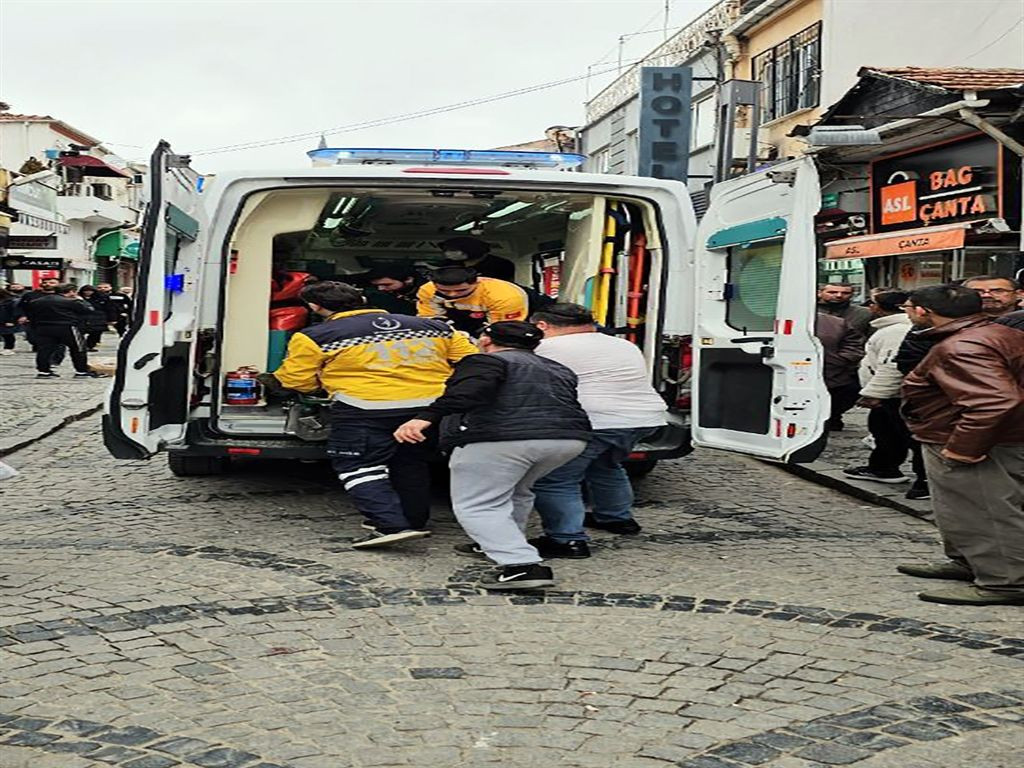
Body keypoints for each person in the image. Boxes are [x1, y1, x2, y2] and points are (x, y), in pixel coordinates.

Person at [263, 281, 477, 548]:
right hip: (427, 409)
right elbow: (471, 361)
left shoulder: (315, 336)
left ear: (315, 307)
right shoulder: (435, 327)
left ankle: (391, 525)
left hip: (363, 407)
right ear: (362, 299)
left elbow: (296, 379)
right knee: (410, 463)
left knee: (357, 465)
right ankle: (414, 520)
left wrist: (317, 386)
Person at [394, 321, 591, 590]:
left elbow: (466, 394)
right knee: (517, 492)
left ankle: (521, 566)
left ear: (486, 340)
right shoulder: (557, 367)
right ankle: (499, 542)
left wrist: (423, 419)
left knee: (477, 504)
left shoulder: (485, 361)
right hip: (567, 439)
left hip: (501, 438)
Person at [897, 284, 1024, 606]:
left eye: (909, 307)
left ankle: (1006, 582)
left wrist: (964, 448)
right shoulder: (991, 333)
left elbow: (995, 402)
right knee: (961, 510)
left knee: (986, 510)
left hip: (980, 442)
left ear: (923, 311)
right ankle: (970, 562)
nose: (908, 313)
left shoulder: (963, 345)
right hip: (983, 436)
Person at [526, 303, 667, 558]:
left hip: (596, 420)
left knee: (555, 479)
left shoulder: (545, 347)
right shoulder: (623, 344)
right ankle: (616, 518)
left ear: (542, 325)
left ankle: (566, 540)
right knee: (606, 465)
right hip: (644, 417)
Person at [842, 290, 928, 499]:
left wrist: (875, 393)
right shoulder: (891, 328)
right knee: (885, 432)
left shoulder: (896, 331)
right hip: (890, 395)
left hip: (895, 395)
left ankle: (923, 482)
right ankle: (883, 468)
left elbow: (891, 365)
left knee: (910, 437)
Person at [417, 266, 528, 337]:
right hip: (459, 315)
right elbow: (429, 318)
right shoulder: (427, 289)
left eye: (461, 290)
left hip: (506, 313)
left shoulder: (505, 296)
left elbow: (504, 329)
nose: (452, 294)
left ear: (476, 283)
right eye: (444, 291)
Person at [23, 284, 104, 379]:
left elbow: (30, 314)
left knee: (44, 350)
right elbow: (89, 310)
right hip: (67, 327)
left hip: (44, 327)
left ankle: (44, 371)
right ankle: (81, 371)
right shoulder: (71, 301)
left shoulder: (36, 301)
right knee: (78, 349)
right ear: (71, 291)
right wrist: (81, 300)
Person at [815, 313, 865, 431]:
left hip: (834, 374)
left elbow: (854, 345)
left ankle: (832, 418)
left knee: (847, 392)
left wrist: (840, 360)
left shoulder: (837, 323)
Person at [439, 236, 516, 282]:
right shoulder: (449, 264)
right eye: (445, 250)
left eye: (453, 250)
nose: (447, 253)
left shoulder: (501, 265)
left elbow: (505, 285)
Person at [77, 285, 110, 351]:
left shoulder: (100, 297)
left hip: (97, 318)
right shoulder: (78, 298)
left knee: (96, 333)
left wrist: (111, 318)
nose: (88, 293)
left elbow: (109, 308)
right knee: (80, 333)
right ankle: (80, 346)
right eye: (86, 291)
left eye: (90, 291)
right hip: (82, 318)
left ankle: (90, 345)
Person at [0, 288, 20, 354]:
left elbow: (13, 311)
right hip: (2, 319)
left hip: (7, 320)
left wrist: (12, 321)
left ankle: (9, 348)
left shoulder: (10, 301)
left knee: (7, 334)